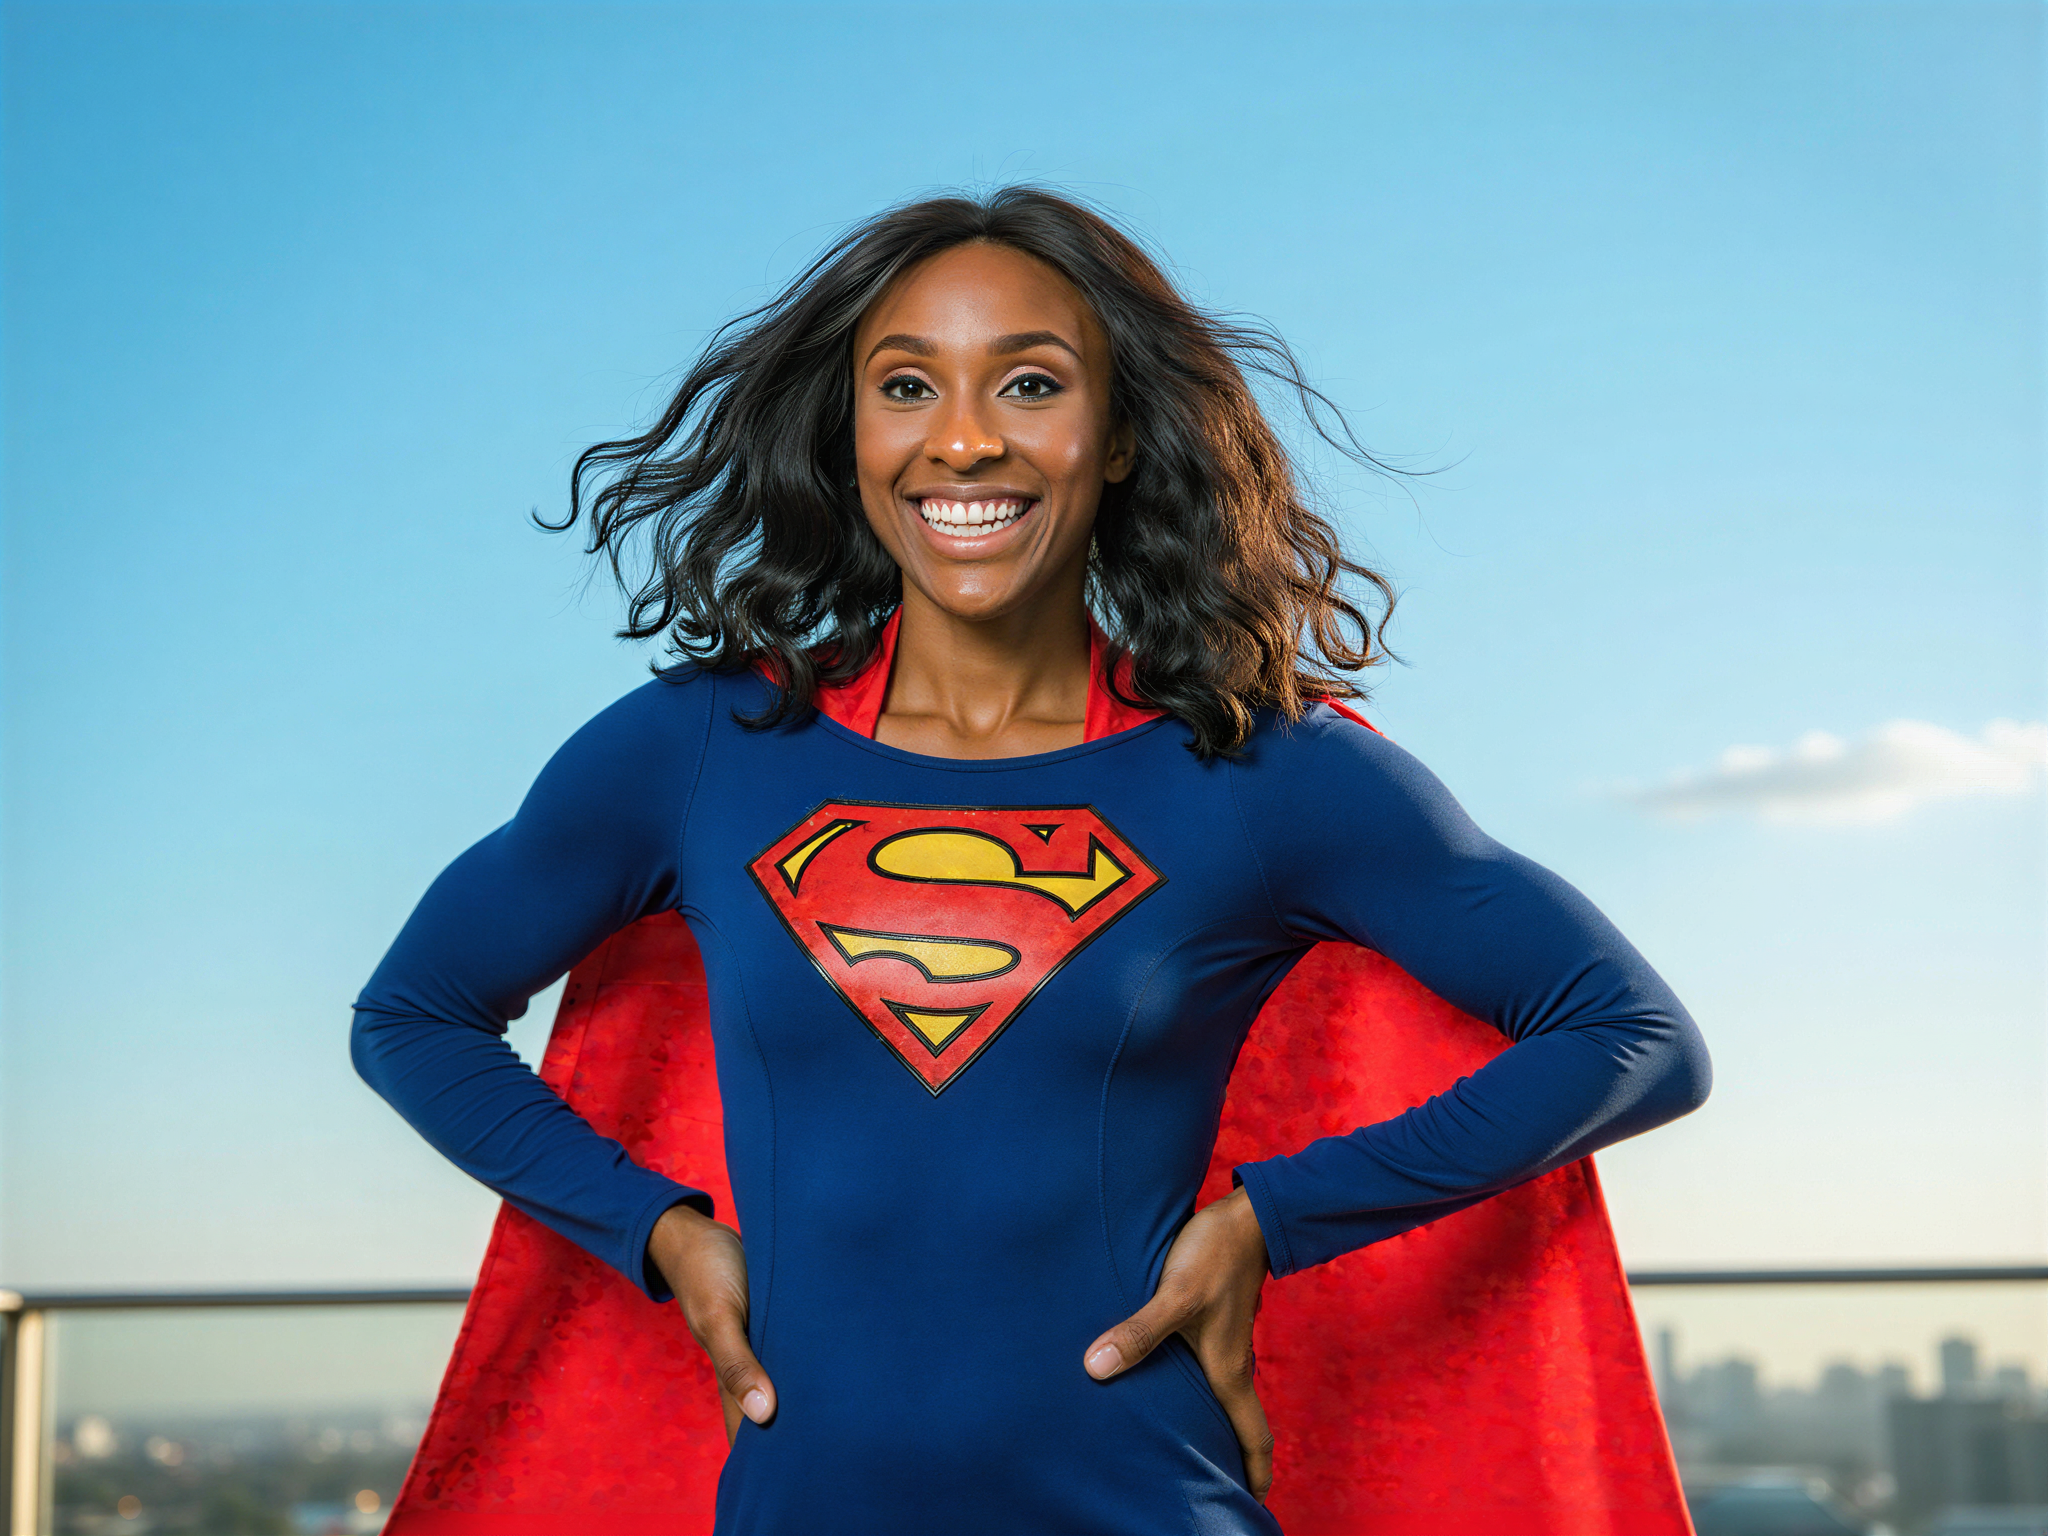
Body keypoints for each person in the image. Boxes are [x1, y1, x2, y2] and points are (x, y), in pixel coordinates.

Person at [353, 187, 1711, 1536]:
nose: (961, 440)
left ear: (1116, 436)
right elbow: (413, 1018)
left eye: (1030, 383)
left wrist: (1272, 1221)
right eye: (905, 387)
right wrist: (654, 1229)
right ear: (847, 435)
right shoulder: (698, 752)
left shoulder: (1262, 768)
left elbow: (1634, 1034)